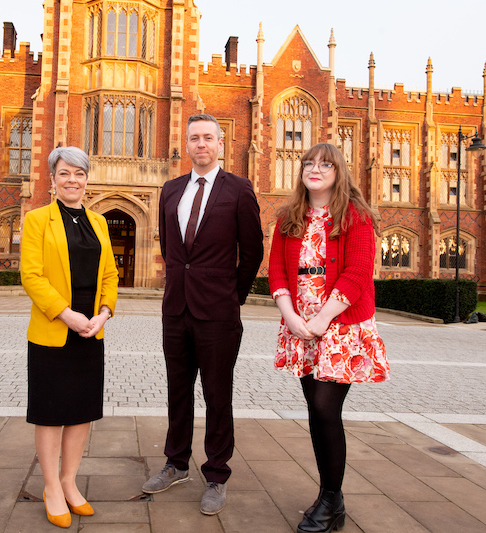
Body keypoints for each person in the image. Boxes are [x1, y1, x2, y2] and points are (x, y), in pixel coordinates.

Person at [142, 114, 264, 515]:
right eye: (194, 138)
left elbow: (252, 252)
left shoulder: (239, 190)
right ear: (188, 143)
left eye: (208, 138)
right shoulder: (171, 189)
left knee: (217, 393)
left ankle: (216, 473)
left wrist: (233, 296)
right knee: (178, 392)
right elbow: (173, 249)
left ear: (220, 143)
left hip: (218, 312)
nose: (200, 144)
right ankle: (176, 463)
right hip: (176, 308)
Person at [269, 143, 390, 533]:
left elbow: (356, 273)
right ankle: (329, 498)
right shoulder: (289, 217)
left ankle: (332, 499)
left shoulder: (354, 216)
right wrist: (291, 317)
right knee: (317, 413)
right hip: (300, 328)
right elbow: (277, 274)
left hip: (339, 328)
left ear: (339, 172)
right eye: (308, 163)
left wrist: (321, 319)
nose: (314, 169)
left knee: (324, 409)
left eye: (325, 164)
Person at [20, 146, 118, 529]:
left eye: (79, 173)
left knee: (81, 411)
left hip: (91, 332)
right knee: (49, 412)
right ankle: (50, 487)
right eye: (64, 173)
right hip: (53, 330)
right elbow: (32, 276)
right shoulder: (37, 220)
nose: (72, 180)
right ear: (53, 178)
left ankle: (69, 481)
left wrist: (104, 313)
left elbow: (109, 275)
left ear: (87, 179)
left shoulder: (99, 222)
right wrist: (67, 314)